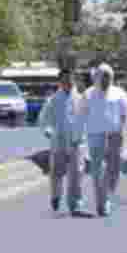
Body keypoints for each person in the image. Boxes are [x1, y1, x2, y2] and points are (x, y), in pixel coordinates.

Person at [77, 63, 127, 217]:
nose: (105, 81)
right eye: (102, 77)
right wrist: (79, 137)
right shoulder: (88, 95)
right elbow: (80, 116)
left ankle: (108, 195)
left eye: (108, 77)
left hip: (115, 135)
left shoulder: (118, 93)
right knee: (98, 170)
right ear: (96, 78)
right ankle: (101, 202)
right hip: (95, 136)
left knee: (114, 168)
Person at [37, 69, 86, 215]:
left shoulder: (82, 99)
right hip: (58, 141)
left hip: (76, 142)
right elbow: (43, 119)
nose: (68, 83)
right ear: (60, 82)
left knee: (77, 174)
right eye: (65, 80)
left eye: (70, 80)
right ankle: (55, 196)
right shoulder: (53, 100)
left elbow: (87, 119)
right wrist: (48, 131)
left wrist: (84, 136)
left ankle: (75, 204)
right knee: (56, 173)